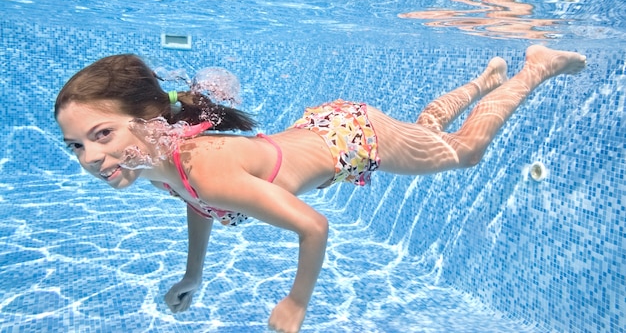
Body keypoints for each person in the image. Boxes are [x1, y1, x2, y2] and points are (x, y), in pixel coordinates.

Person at [54, 45, 586, 333]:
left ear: (150, 119)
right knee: (429, 138)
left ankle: (534, 69)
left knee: (465, 153)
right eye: (76, 145)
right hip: (329, 128)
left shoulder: (201, 164)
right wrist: (194, 274)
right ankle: (482, 82)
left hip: (353, 137)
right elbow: (201, 205)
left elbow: (313, 226)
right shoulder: (159, 164)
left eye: (102, 135)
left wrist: (296, 302)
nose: (92, 159)